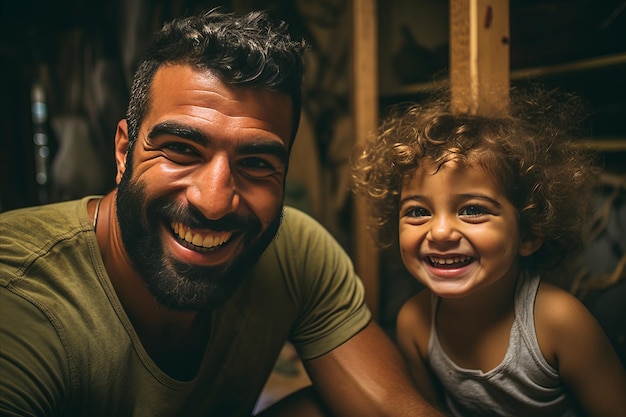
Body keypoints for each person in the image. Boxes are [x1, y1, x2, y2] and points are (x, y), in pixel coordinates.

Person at [0, 9, 443, 417]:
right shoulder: (20, 294)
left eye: (256, 164)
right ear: (123, 151)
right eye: (181, 150)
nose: (213, 202)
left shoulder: (297, 250)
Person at [351, 88, 626, 416]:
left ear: (528, 233)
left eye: (471, 210)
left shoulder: (559, 323)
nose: (439, 232)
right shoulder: (415, 323)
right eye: (417, 211)